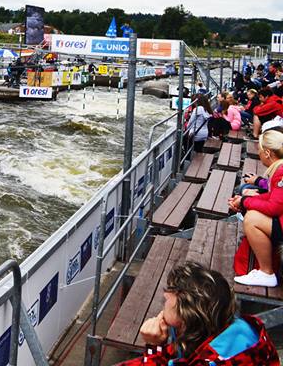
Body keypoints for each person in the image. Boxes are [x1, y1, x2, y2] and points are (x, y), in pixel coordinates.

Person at [117, 261, 278, 365]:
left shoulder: (212, 360)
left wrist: (154, 347)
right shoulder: (237, 328)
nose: (165, 297)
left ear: (186, 315)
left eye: (168, 298)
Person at [229, 129, 283, 287]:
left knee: (252, 219)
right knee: (252, 210)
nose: (258, 153)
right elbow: (274, 198)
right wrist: (244, 200)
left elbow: (274, 207)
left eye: (259, 150)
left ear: (267, 153)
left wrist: (245, 202)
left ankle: (266, 273)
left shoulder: (280, 173)